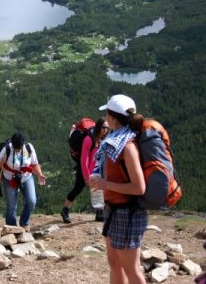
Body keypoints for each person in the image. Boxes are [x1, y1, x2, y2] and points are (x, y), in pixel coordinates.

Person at [89, 94, 147, 284]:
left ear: (112, 118)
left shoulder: (127, 146)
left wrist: (106, 184)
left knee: (132, 270)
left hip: (127, 212)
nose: (105, 117)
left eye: (106, 113)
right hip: (113, 209)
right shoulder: (115, 140)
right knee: (114, 263)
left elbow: (139, 188)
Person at [0, 133, 47, 231]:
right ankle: (11, 227)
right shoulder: (7, 149)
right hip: (10, 178)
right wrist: (2, 162)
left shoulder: (29, 147)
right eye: (15, 147)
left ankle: (24, 222)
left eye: (19, 147)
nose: (17, 149)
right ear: (12, 144)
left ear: (23, 144)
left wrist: (40, 174)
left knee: (31, 201)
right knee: (11, 205)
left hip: (26, 177)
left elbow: (34, 163)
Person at [61, 118, 110, 223]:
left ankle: (99, 212)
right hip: (85, 169)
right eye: (104, 127)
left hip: (96, 169)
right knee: (77, 189)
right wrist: (86, 177)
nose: (106, 130)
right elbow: (84, 160)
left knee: (99, 189)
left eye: (107, 128)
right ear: (98, 127)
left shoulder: (102, 139)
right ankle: (65, 210)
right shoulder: (88, 139)